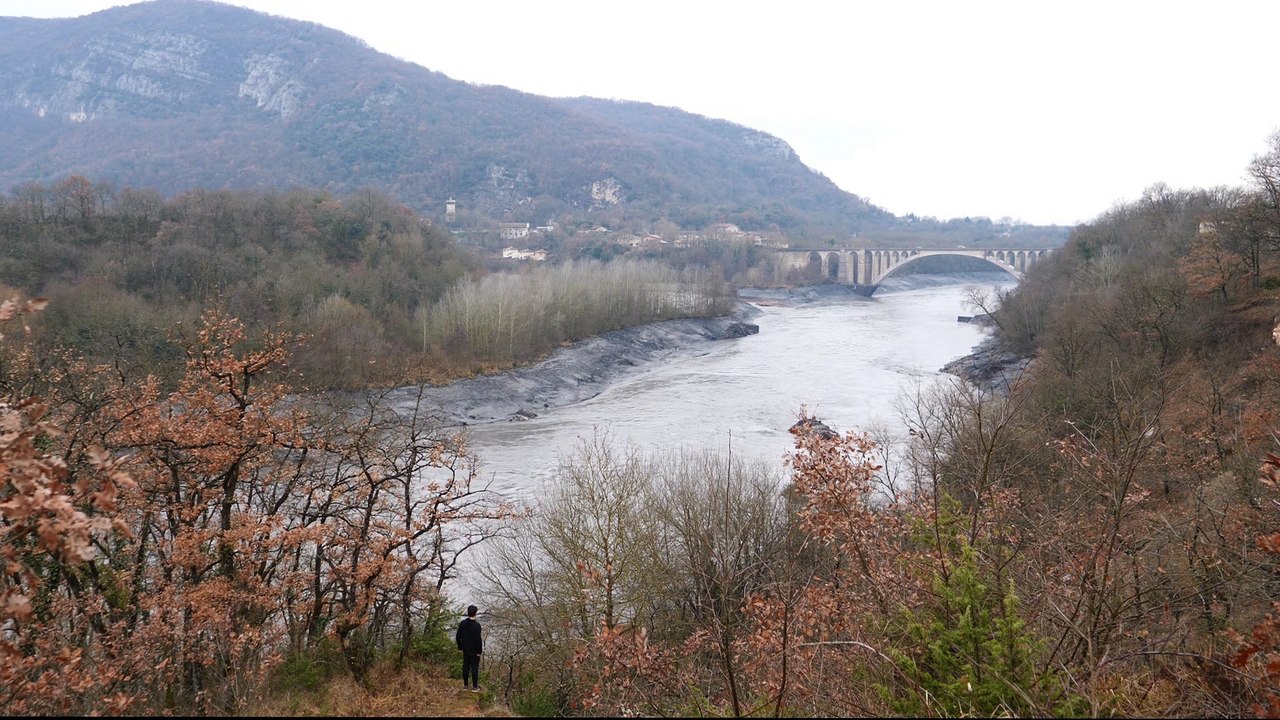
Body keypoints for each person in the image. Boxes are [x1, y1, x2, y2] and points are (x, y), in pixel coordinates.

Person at [455, 604, 483, 692]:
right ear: (475, 613)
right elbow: (478, 640)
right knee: (474, 668)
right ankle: (475, 687)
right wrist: (479, 651)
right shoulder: (477, 625)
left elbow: (458, 636)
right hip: (474, 650)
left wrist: (460, 647)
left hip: (465, 649)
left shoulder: (463, 623)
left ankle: (465, 685)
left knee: (465, 666)